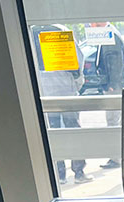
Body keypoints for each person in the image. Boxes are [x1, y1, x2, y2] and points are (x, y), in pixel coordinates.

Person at [31, 24, 91, 185]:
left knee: (51, 133)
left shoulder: (31, 31)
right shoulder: (60, 30)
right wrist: (78, 82)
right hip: (65, 88)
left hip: (44, 90)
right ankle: (79, 172)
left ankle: (59, 175)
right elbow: (77, 61)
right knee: (73, 130)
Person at [91, 22, 124, 169]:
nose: (91, 25)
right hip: (114, 85)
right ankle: (116, 157)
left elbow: (115, 61)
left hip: (114, 86)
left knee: (113, 121)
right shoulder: (108, 34)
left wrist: (112, 83)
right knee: (114, 120)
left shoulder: (110, 35)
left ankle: (116, 158)